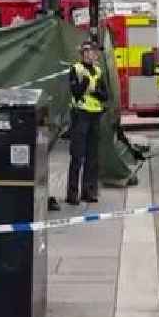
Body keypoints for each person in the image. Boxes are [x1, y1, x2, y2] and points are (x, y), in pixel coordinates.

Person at [66, 40, 108, 205]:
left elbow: (105, 96)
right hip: (80, 116)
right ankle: (72, 193)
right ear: (83, 53)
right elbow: (75, 93)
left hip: (95, 116)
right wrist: (85, 84)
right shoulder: (76, 69)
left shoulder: (98, 71)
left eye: (95, 52)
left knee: (92, 157)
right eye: (90, 52)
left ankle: (88, 191)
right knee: (77, 156)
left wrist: (95, 91)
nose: (94, 54)